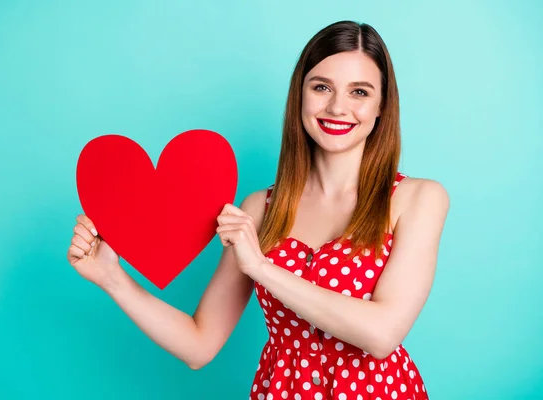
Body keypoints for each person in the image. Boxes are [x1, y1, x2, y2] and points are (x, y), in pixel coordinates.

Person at [67, 20, 449, 400]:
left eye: (359, 92)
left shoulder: (418, 199)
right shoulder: (259, 209)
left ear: (382, 105)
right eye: (321, 87)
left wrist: (262, 268)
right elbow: (199, 345)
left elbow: (382, 335)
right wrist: (111, 278)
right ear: (299, 95)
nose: (337, 107)